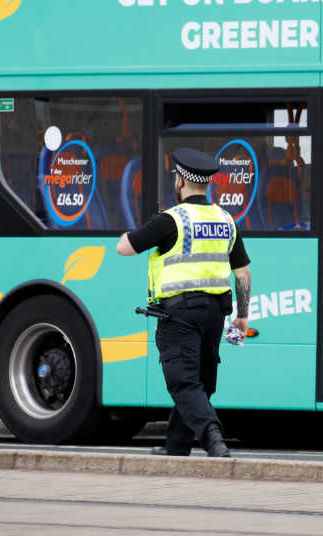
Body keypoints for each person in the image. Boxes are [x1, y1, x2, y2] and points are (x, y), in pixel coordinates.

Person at [116, 148, 251, 457]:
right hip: (216, 313)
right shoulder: (226, 219)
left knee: (182, 381)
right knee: (198, 382)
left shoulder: (171, 219)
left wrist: (137, 230)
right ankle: (176, 447)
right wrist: (243, 316)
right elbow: (242, 273)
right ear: (206, 184)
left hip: (180, 313)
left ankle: (213, 436)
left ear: (180, 181)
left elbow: (124, 248)